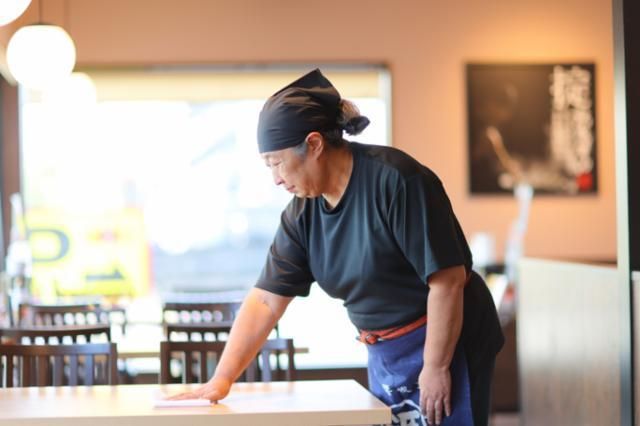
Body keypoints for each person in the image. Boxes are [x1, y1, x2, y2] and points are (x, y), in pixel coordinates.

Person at [170, 69, 504, 426]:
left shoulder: (397, 180)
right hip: (386, 349)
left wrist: (436, 366)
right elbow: (266, 300)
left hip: (447, 337)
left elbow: (447, 281)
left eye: (277, 163)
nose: (276, 178)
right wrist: (222, 379)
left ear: (314, 144)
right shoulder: (302, 214)